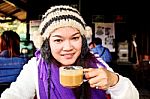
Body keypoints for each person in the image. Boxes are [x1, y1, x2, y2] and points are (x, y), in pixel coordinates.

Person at [0, 5, 139, 99]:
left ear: (83, 40)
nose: (68, 47)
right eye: (58, 40)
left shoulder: (96, 63)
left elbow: (133, 96)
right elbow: (14, 95)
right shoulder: (36, 67)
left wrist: (115, 81)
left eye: (75, 38)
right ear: (46, 43)